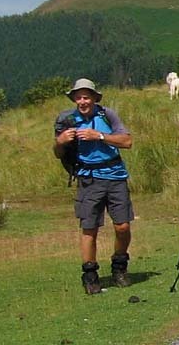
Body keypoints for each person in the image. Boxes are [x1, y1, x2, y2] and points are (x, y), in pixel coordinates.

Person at [53, 78, 134, 295]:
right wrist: (60, 142)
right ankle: (90, 274)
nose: (82, 101)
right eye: (78, 97)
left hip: (115, 175)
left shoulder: (108, 115)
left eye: (86, 96)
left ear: (95, 98)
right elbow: (59, 154)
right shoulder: (68, 120)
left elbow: (127, 142)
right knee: (89, 228)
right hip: (88, 179)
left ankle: (119, 265)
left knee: (123, 226)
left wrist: (98, 136)